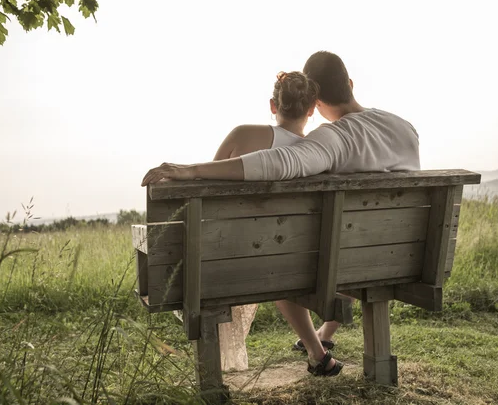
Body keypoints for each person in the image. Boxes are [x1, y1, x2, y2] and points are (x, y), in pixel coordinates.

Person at [141, 51, 420, 377]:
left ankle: (316, 344)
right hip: (399, 255)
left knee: (295, 253)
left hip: (342, 261)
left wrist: (188, 171)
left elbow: (279, 163)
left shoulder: (334, 138)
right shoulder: (404, 128)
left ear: (315, 100)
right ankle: (323, 342)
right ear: (350, 84)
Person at [214, 70, 318, 372]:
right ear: (311, 110)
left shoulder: (242, 135)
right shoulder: (316, 152)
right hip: (293, 260)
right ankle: (316, 349)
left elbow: (208, 189)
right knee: (279, 250)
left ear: (274, 105)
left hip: (233, 257)